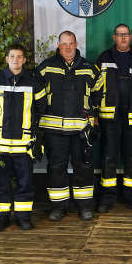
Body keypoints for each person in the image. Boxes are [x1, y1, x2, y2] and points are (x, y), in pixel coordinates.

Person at [37, 31, 102, 222]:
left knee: (83, 168)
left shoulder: (90, 68)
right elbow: (36, 96)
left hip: (81, 130)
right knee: (56, 168)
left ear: (76, 44)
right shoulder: (46, 67)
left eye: (71, 43)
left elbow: (98, 95)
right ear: (58, 45)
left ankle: (84, 207)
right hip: (53, 130)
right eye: (63, 44)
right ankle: (58, 207)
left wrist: (94, 120)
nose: (67, 47)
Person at [0, 44, 46, 231]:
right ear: (6, 59)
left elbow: (42, 108)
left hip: (23, 144)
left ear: (24, 60)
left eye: (20, 57)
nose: (16, 60)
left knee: (25, 183)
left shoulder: (34, 82)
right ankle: (0, 218)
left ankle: (23, 217)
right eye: (12, 56)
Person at [95, 24, 132, 213]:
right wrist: (94, 114)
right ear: (114, 38)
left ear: (131, 37)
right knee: (109, 158)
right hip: (110, 118)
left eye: (126, 34)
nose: (123, 38)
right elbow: (96, 88)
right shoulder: (104, 58)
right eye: (119, 35)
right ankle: (107, 198)